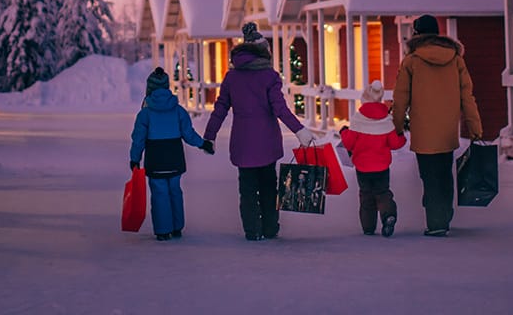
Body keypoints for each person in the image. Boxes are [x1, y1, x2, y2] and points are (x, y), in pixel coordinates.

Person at [204, 22, 316, 241]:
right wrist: (299, 130)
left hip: (243, 144)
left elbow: (220, 109)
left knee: (247, 190)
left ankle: (252, 230)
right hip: (266, 143)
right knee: (268, 187)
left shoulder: (232, 77)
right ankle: (270, 228)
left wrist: (210, 136)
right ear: (263, 51)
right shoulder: (269, 76)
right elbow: (280, 108)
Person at [391, 14, 482, 237]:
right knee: (444, 174)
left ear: (417, 34)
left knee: (429, 177)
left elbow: (400, 98)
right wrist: (475, 127)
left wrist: (398, 126)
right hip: (447, 131)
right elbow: (467, 96)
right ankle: (443, 215)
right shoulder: (456, 59)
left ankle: (435, 222)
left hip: (423, 132)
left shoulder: (411, 61)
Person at [130, 67, 214, 241]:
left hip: (156, 159)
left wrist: (135, 159)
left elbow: (138, 139)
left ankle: (163, 230)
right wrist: (203, 144)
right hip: (175, 158)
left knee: (159, 192)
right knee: (175, 190)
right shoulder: (178, 111)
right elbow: (188, 134)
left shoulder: (145, 114)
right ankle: (177, 227)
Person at [339, 80, 406, 236]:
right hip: (382, 167)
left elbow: (348, 143)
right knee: (383, 192)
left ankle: (368, 227)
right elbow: (395, 143)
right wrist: (402, 137)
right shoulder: (386, 120)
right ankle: (388, 215)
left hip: (362, 167)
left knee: (366, 196)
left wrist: (344, 132)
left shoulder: (358, 119)